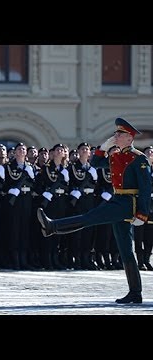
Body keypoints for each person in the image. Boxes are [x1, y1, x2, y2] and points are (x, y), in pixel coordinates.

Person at [37, 117, 152, 304]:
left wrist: (142, 213)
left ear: (129, 138)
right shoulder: (115, 155)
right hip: (117, 199)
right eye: (115, 133)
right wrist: (103, 147)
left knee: (90, 218)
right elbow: (97, 163)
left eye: (120, 134)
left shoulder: (139, 158)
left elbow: (146, 188)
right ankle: (135, 292)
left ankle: (53, 226)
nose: (116, 136)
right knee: (125, 250)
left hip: (127, 203)